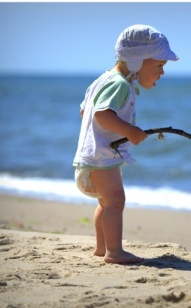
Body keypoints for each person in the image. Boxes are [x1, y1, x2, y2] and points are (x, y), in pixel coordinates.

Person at [73, 24, 178, 264]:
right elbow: (101, 114)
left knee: (106, 202)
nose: (162, 72)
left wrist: (103, 133)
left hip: (91, 158)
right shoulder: (118, 84)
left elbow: (84, 111)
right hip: (101, 159)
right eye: (159, 65)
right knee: (116, 201)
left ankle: (102, 248)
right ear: (136, 60)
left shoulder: (104, 80)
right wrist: (129, 130)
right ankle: (114, 252)